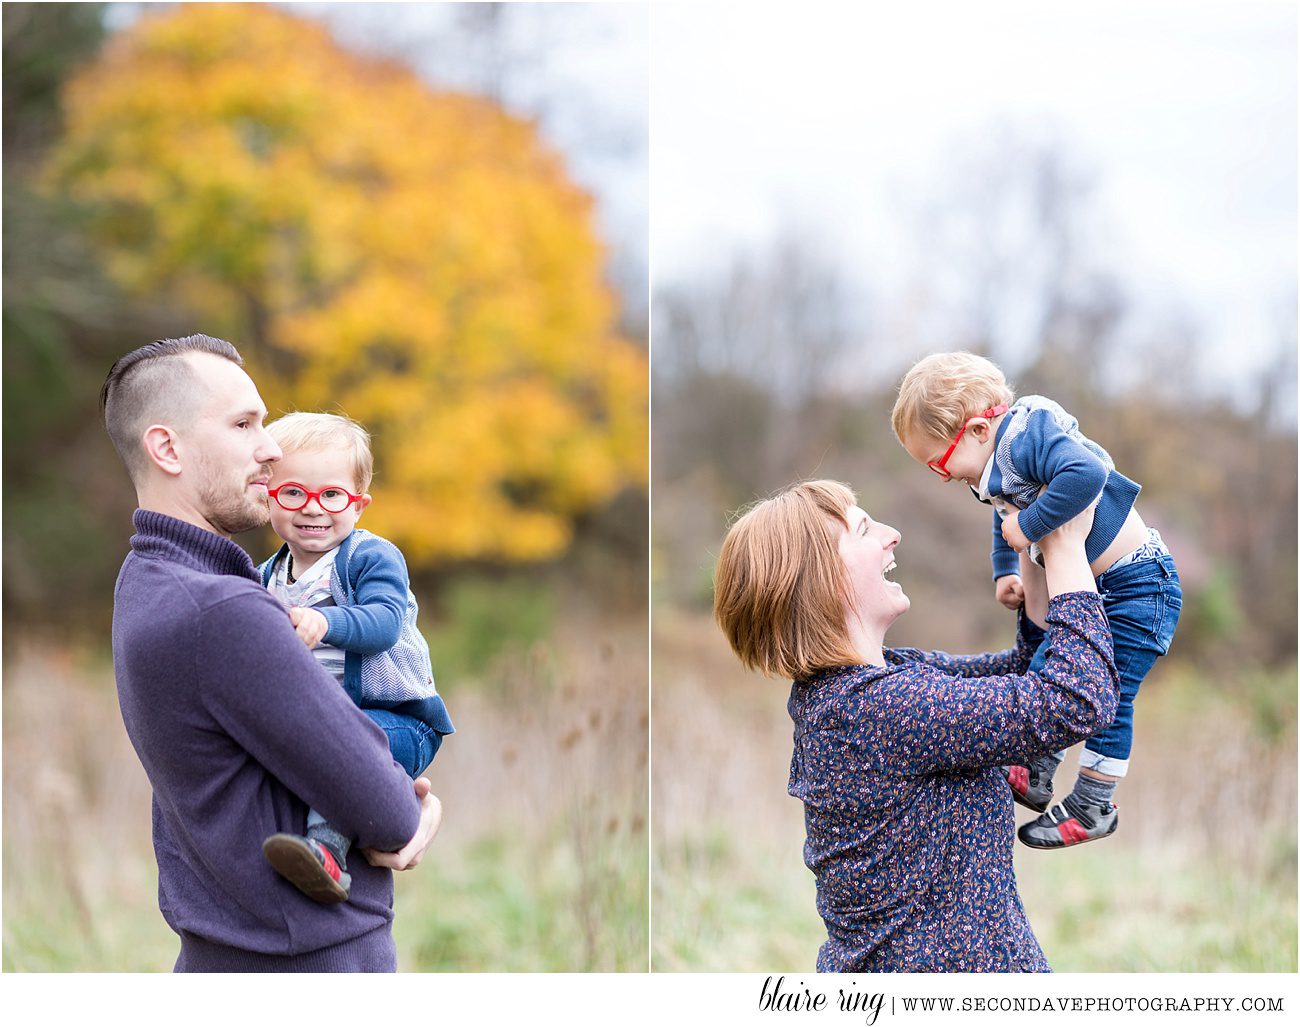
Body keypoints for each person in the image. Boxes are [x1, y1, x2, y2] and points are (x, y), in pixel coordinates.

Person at [101, 334, 441, 971]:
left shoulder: (145, 580)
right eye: (243, 423)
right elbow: (391, 815)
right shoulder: (226, 611)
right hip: (305, 965)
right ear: (166, 447)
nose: (270, 448)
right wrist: (422, 810)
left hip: (226, 953)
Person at [713, 479, 1118, 971]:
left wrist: (1034, 558)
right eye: (863, 529)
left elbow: (1025, 674)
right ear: (821, 579)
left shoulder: (877, 684)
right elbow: (1075, 700)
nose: (891, 533)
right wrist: (1068, 553)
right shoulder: (878, 709)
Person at [890, 352, 1181, 848]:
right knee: (1051, 665)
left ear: (979, 429)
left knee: (1108, 696)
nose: (941, 475)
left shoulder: (1031, 432)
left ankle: (1093, 803)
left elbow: (1084, 476)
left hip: (1139, 585)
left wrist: (1027, 529)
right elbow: (1006, 510)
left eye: (939, 461)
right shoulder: (992, 465)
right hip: (1100, 587)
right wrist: (1006, 568)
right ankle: (1038, 769)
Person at [256, 412, 454, 904]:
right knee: (311, 745)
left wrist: (327, 623)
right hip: (323, 721)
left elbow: (385, 622)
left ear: (359, 504)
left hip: (398, 721)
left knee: (349, 743)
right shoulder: (266, 575)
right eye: (294, 492)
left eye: (332, 495)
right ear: (269, 495)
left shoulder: (369, 558)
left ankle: (325, 854)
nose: (313, 509)